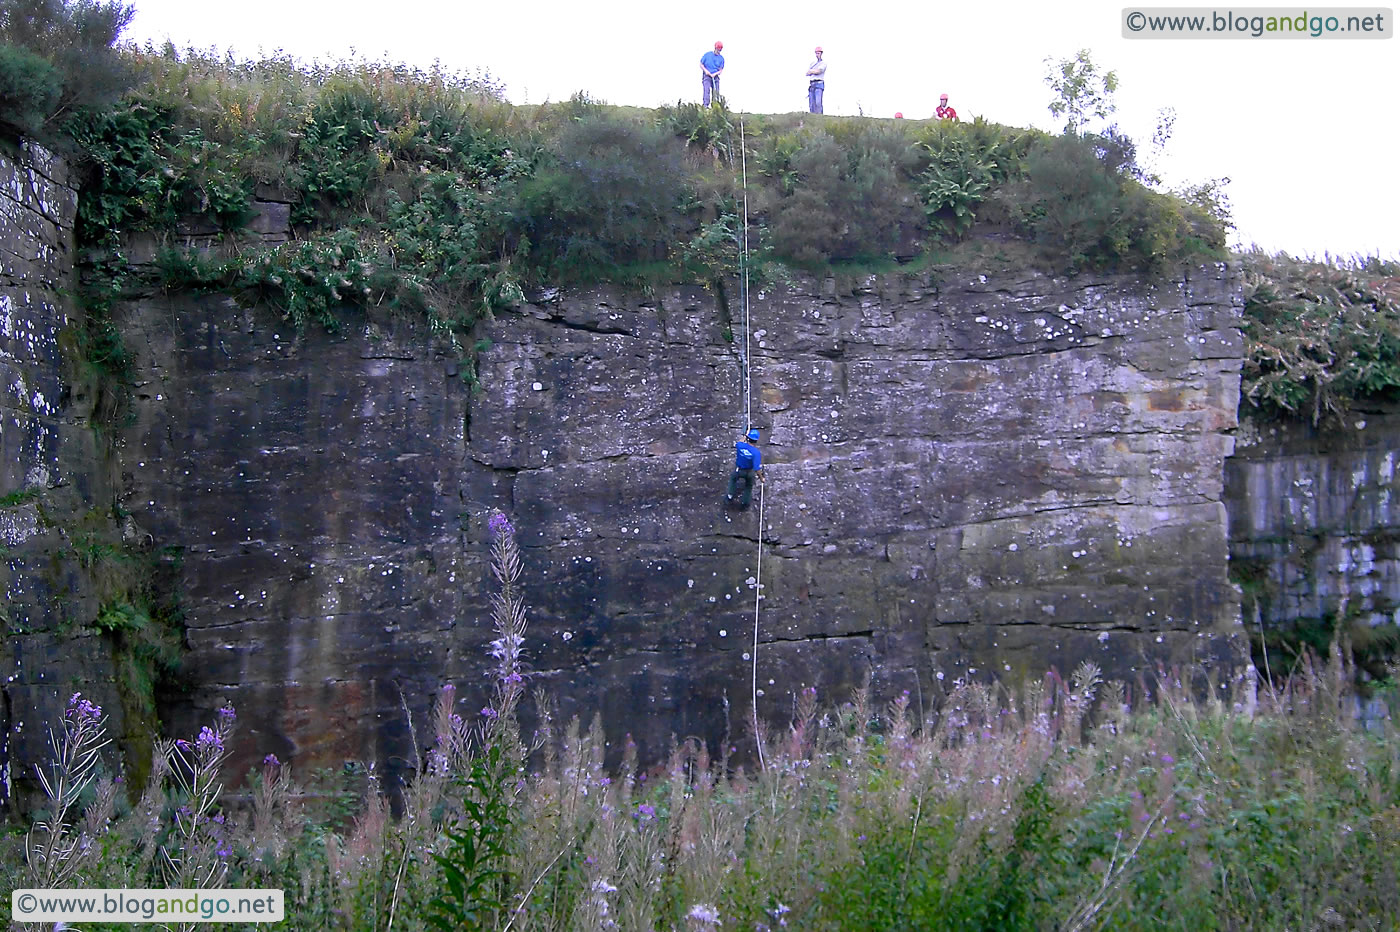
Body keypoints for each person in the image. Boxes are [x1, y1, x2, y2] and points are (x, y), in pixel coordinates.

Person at [726, 428, 764, 510]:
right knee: (749, 486)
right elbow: (757, 468)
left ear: (748, 438)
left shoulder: (740, 446)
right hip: (749, 472)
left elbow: (740, 441)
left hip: (739, 470)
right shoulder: (756, 453)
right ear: (756, 441)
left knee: (733, 479)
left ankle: (730, 495)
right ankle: (745, 502)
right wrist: (761, 478)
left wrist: (745, 435)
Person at [701, 41, 725, 107]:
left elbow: (720, 70)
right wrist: (706, 71)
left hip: (715, 76)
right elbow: (701, 64)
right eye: (718, 49)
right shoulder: (707, 55)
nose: (718, 51)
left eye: (720, 50)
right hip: (707, 76)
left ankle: (715, 106)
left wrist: (715, 74)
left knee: (716, 92)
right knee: (707, 90)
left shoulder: (721, 59)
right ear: (715, 48)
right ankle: (705, 106)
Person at [806, 47, 826, 114]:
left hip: (819, 83)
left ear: (821, 53)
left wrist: (812, 71)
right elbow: (807, 73)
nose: (817, 55)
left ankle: (820, 116)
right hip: (812, 83)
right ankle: (813, 117)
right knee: (812, 103)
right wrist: (813, 71)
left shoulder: (823, 63)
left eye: (818, 53)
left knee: (818, 102)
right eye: (816, 53)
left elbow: (819, 71)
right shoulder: (812, 63)